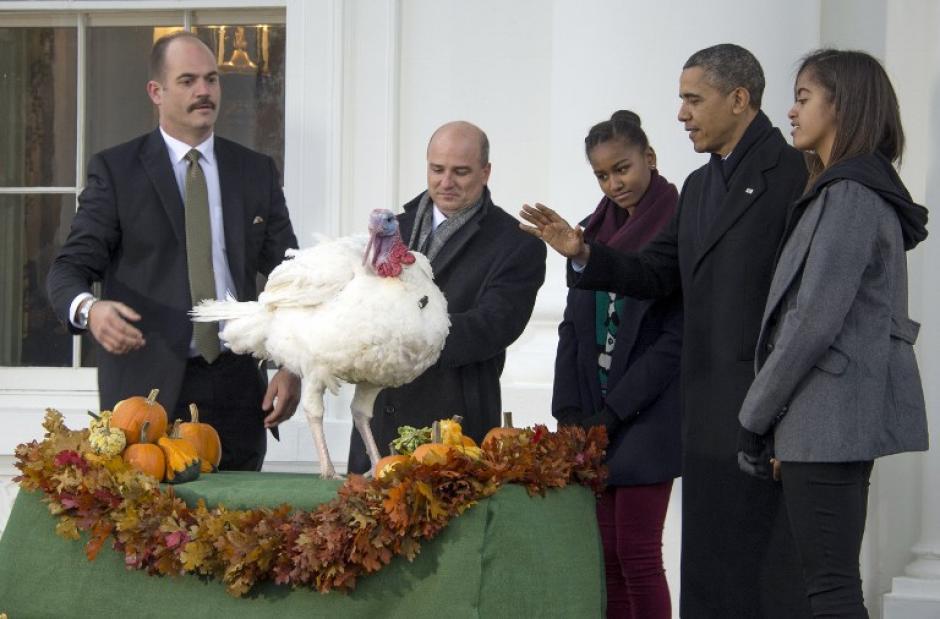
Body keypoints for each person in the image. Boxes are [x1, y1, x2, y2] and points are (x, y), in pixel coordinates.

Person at [520, 44, 813, 618]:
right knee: (704, 568)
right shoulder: (703, 187)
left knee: (762, 569)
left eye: (692, 99)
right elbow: (654, 273)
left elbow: (801, 302)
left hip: (764, 406)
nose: (681, 113)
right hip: (705, 412)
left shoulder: (794, 175)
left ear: (739, 98)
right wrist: (583, 252)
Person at [47, 31, 301, 471]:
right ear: (156, 92)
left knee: (239, 534)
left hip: (239, 392)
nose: (204, 91)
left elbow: (293, 278)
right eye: (187, 81)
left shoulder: (255, 171)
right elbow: (69, 268)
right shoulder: (116, 171)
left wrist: (294, 364)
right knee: (154, 536)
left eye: (212, 79)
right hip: (147, 397)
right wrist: (91, 310)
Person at [736, 49, 929, 617]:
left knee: (830, 590)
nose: (791, 112)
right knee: (831, 585)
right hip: (826, 419)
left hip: (828, 421)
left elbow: (813, 319)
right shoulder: (849, 189)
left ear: (840, 105)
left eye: (803, 98)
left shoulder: (849, 195)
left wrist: (754, 416)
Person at [347, 121, 546, 473]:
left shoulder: (517, 244)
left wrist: (403, 337)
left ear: (486, 172)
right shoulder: (392, 229)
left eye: (461, 172)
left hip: (454, 429)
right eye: (437, 169)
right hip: (376, 421)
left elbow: (494, 325)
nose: (446, 182)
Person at [553, 111, 681, 619]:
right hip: (595, 416)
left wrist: (617, 411)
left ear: (649, 158)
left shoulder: (678, 225)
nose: (615, 183)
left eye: (623, 168)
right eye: (602, 175)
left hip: (647, 415)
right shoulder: (587, 232)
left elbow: (675, 339)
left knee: (639, 554)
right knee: (604, 556)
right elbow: (572, 327)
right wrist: (569, 410)